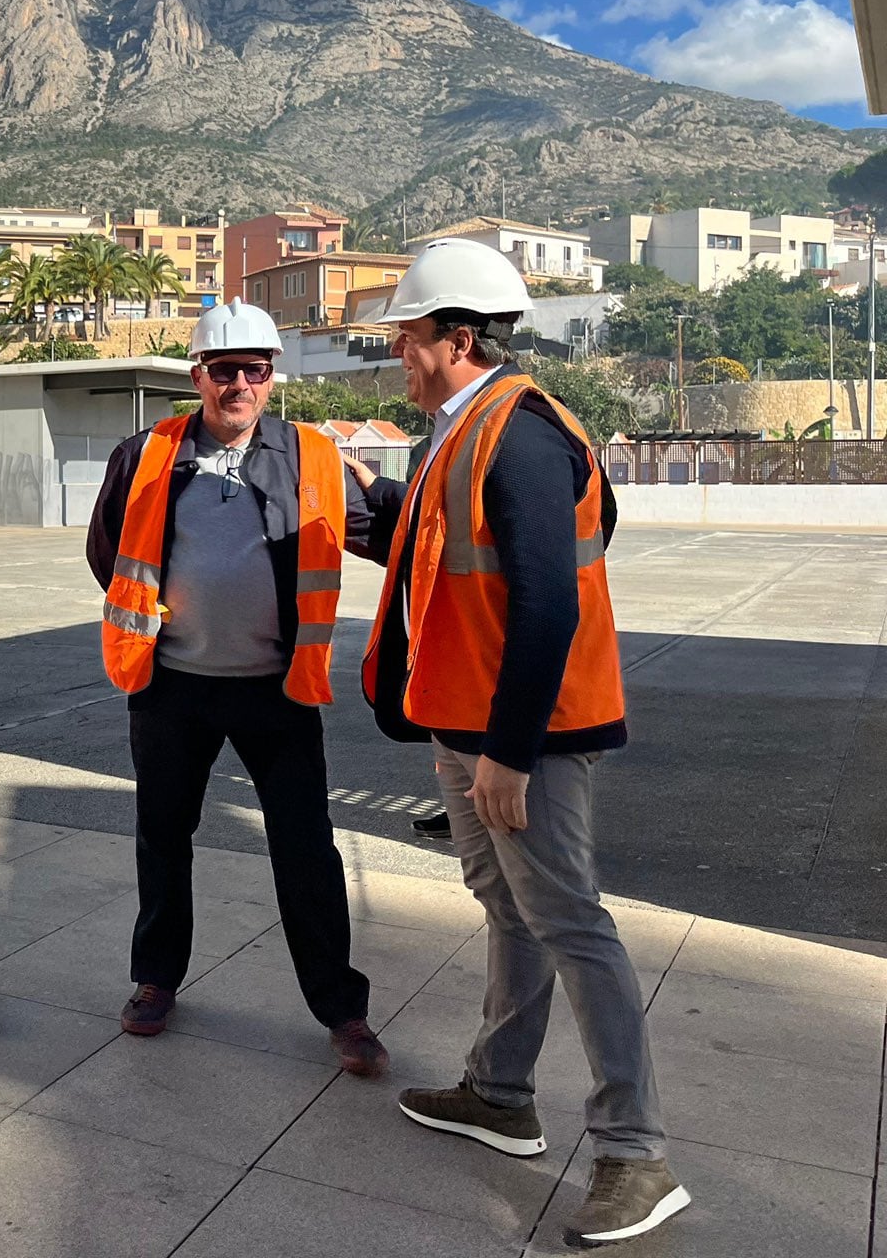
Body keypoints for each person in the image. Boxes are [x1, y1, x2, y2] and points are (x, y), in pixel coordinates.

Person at [356, 239, 689, 1248]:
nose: (397, 358)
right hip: (464, 724)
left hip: (523, 739)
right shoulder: (458, 436)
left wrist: (506, 748)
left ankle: (635, 1154)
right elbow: (437, 554)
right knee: (507, 907)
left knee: (569, 921)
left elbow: (547, 600)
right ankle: (499, 1092)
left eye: (407, 340)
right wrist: (342, 503)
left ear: (455, 341)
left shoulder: (519, 436)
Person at [87, 298, 388, 1076]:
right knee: (163, 836)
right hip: (172, 685)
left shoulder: (313, 457)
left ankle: (342, 1011)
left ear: (272, 377)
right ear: (199, 376)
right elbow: (107, 551)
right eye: (225, 371)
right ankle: (156, 979)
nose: (241, 385)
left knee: (305, 849)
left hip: (277, 691)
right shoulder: (144, 454)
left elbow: (383, 536)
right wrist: (161, 616)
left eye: (256, 370)